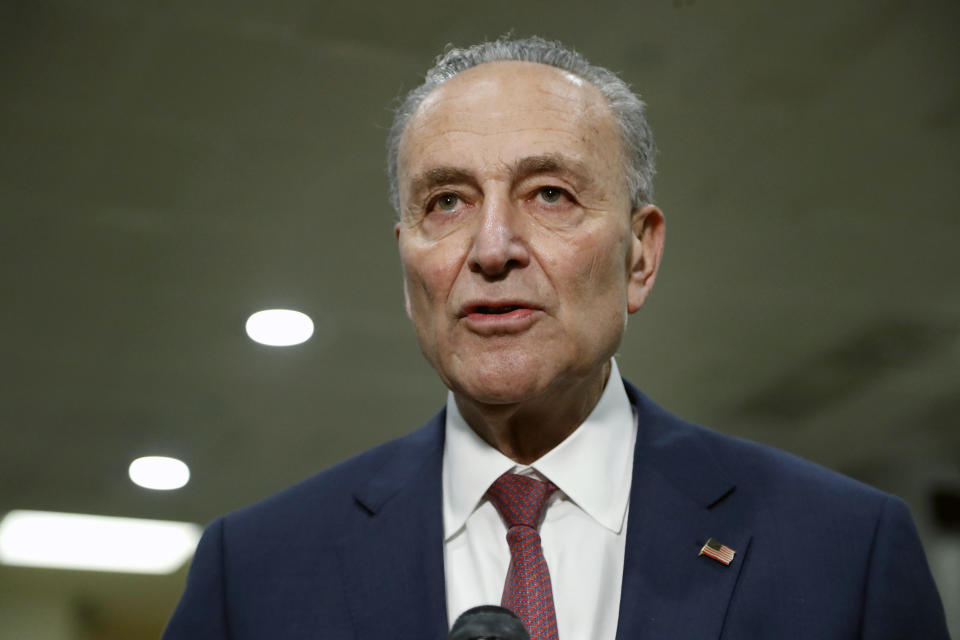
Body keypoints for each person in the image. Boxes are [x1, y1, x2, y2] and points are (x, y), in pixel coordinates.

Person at [163, 37, 949, 639]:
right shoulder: (255, 575)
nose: (492, 246)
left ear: (640, 254)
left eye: (550, 193)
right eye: (446, 202)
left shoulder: (843, 553)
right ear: (406, 259)